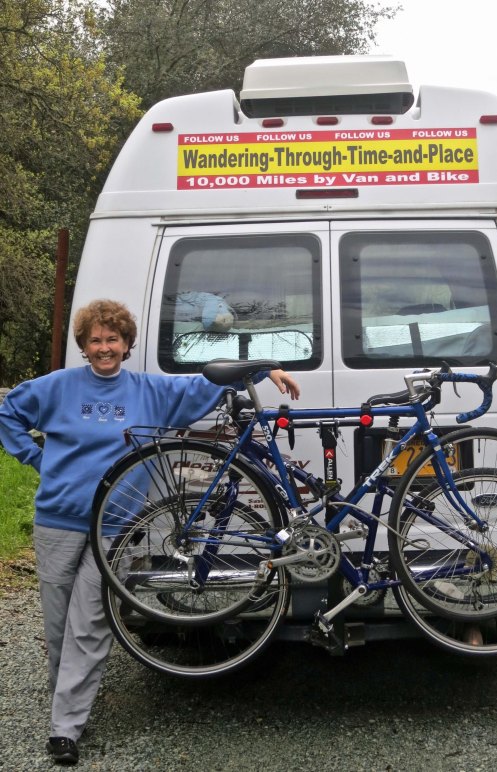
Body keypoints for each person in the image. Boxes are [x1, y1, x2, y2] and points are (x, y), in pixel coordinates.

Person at [0, 299, 299, 765]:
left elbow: (203, 386)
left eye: (113, 339)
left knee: (91, 621)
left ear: (126, 343)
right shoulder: (57, 387)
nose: (105, 348)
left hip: (115, 527)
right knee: (59, 622)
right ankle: (68, 700)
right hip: (58, 519)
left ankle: (65, 727)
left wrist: (265, 372)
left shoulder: (148, 390)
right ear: (84, 345)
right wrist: (39, 461)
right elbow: (9, 414)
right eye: (96, 340)